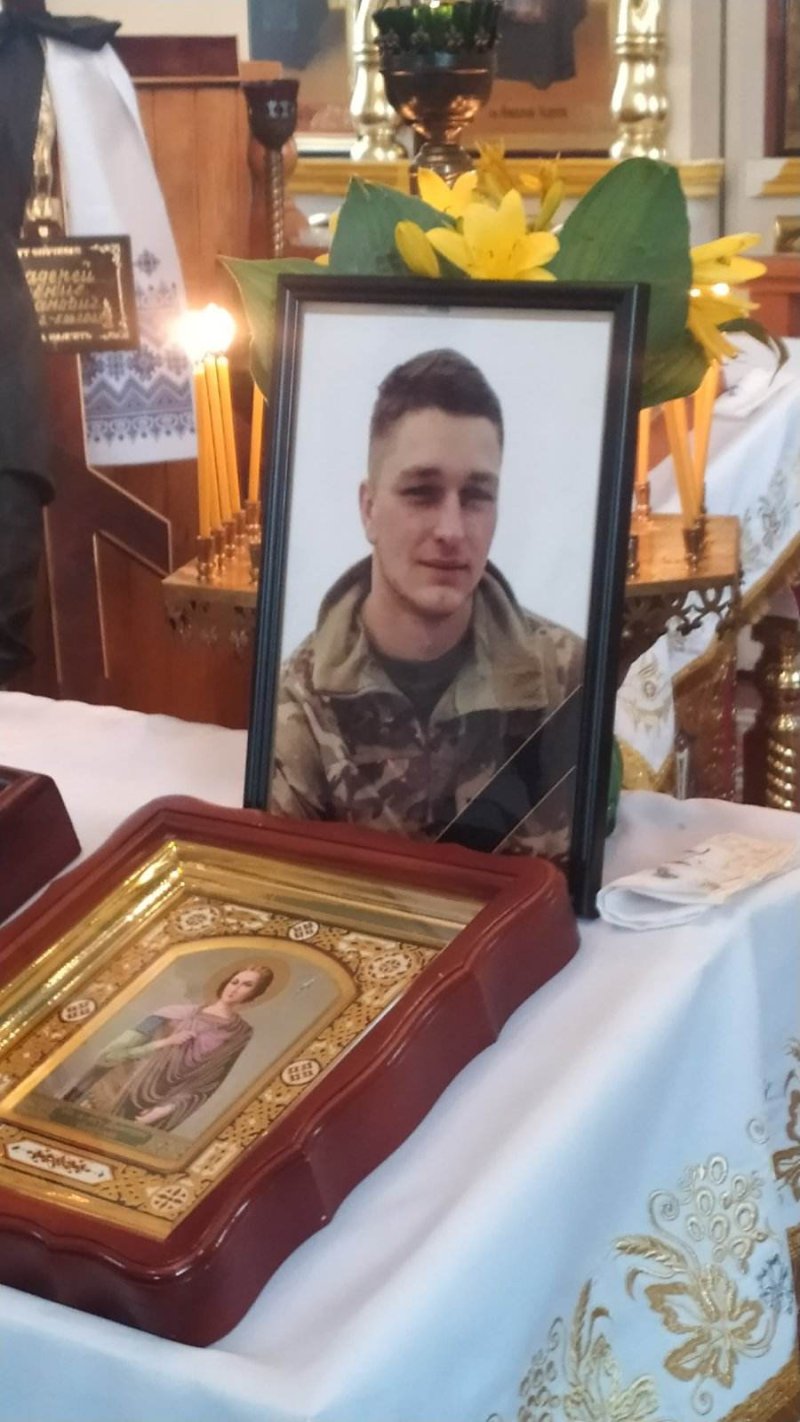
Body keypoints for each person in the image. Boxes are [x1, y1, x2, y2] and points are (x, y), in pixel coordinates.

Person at [272, 348, 584, 856]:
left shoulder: (565, 678)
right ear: (369, 510)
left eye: (476, 496)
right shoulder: (300, 704)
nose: (452, 530)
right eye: (421, 492)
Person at [63, 963, 274, 1132]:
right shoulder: (172, 1013)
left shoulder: (240, 1034)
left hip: (153, 1109)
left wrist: (165, 1109)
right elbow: (110, 1054)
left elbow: (209, 1082)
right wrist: (165, 1042)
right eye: (234, 981)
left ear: (255, 994)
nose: (235, 988)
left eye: (247, 985)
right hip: (113, 1090)